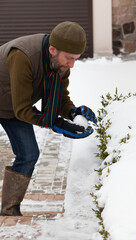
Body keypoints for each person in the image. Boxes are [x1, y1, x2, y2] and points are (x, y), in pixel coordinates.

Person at [0, 21, 97, 216]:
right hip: (14, 105)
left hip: (10, 108)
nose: (72, 65)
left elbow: (61, 98)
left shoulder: (60, 65)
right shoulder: (23, 56)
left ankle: (9, 211)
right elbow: (22, 110)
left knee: (28, 155)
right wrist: (56, 123)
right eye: (69, 58)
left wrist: (73, 113)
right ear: (52, 49)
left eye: (76, 59)